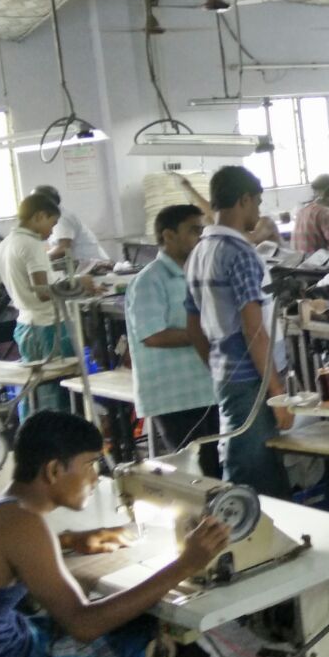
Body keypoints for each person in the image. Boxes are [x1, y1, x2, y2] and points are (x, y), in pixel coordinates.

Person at [0, 411, 229, 657]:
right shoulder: (24, 525)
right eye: (90, 465)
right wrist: (185, 565)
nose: (96, 478)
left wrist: (70, 539)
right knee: (160, 638)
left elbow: (9, 555)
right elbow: (84, 626)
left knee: (136, 620)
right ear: (54, 470)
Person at [184, 166, 293, 498]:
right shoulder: (241, 254)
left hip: (229, 375)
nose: (258, 213)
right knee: (252, 472)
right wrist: (277, 395)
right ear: (244, 200)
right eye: (257, 203)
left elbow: (193, 327)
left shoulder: (199, 252)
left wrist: (218, 365)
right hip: (253, 381)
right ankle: (241, 521)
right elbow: (254, 330)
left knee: (250, 459)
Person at [125, 204, 220, 476]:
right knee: (196, 476)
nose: (200, 237)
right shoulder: (150, 280)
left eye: (202, 230)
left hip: (204, 390)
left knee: (215, 470)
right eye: (193, 231)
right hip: (175, 398)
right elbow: (153, 335)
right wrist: (206, 333)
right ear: (168, 235)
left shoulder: (195, 274)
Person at [0, 191, 92, 412]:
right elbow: (42, 291)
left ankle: (30, 431)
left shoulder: (5, 244)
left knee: (33, 390)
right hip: (47, 327)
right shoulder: (31, 244)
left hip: (26, 325)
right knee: (55, 394)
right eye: (52, 223)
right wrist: (78, 284)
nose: (51, 232)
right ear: (39, 216)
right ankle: (58, 435)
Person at [34, 185, 108, 270]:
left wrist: (38, 259)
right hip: (86, 266)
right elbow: (55, 246)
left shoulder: (61, 219)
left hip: (94, 266)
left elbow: (63, 249)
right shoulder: (54, 215)